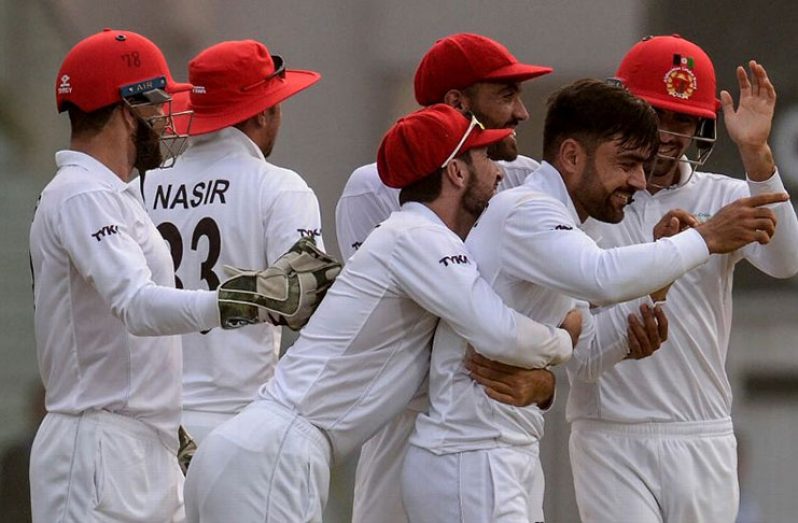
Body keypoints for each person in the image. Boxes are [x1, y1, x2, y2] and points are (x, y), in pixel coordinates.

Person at [401, 78, 788, 522]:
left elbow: (586, 347)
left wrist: (651, 293)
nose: (638, 182)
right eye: (626, 163)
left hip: (503, 451)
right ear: (570, 156)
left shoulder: (565, 222)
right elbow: (599, 277)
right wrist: (704, 239)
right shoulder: (529, 210)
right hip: (470, 453)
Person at [183, 104, 578, 523]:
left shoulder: (408, 235)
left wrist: (543, 380)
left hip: (254, 449)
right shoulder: (421, 236)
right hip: (276, 454)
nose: (499, 172)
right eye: (483, 157)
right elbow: (497, 333)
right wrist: (564, 342)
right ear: (456, 172)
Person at [28, 29, 338, 523]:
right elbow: (136, 304)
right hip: (102, 442)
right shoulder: (83, 194)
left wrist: (175, 430)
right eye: (156, 104)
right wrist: (242, 300)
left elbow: (125, 347)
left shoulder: (122, 192)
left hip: (151, 437)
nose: (166, 119)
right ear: (129, 109)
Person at [567, 35, 798, 523]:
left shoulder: (722, 193)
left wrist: (757, 152)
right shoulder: (586, 200)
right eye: (656, 115)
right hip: (610, 431)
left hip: (701, 431)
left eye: (683, 119)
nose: (670, 134)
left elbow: (786, 261)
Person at [334, 33, 556, 522]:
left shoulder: (528, 178)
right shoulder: (374, 185)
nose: (521, 112)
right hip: (403, 418)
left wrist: (545, 384)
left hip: (491, 421)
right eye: (505, 95)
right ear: (458, 103)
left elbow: (570, 298)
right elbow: (408, 325)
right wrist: (547, 349)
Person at [142, 39, 325, 444]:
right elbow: (312, 309)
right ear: (265, 112)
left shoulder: (141, 187)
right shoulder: (281, 188)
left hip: (150, 424)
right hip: (242, 424)